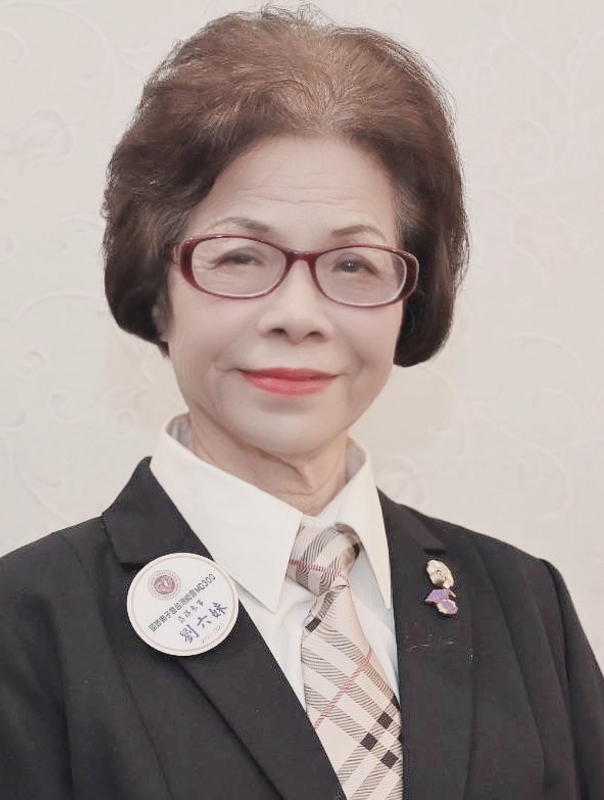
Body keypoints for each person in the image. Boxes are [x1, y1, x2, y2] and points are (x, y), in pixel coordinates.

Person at [0, 7, 602, 800]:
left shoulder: (526, 606)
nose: (298, 314)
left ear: (410, 300)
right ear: (157, 291)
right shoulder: (26, 625)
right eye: (239, 257)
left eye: (353, 264)